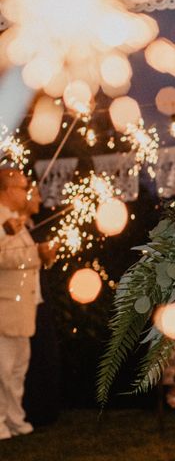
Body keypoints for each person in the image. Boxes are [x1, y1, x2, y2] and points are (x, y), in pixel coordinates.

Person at [0, 169, 56, 440]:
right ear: (7, 190)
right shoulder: (1, 219)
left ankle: (15, 419)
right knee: (2, 369)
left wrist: (44, 256)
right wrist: (37, 254)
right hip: (4, 306)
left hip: (22, 305)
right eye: (22, 187)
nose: (27, 192)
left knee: (17, 370)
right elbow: (5, 257)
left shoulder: (18, 221)